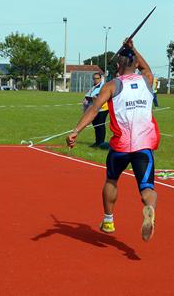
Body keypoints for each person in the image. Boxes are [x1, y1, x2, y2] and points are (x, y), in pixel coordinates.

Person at [66, 39, 160, 242]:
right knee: (147, 190)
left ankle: (108, 220)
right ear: (135, 64)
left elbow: (93, 109)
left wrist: (76, 131)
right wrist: (133, 48)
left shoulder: (111, 86)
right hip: (143, 146)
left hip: (120, 147)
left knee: (111, 180)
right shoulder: (147, 79)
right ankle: (149, 207)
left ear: (118, 66)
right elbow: (146, 67)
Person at [83, 72, 109, 148]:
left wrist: (95, 97)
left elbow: (102, 95)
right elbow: (90, 95)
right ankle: (97, 142)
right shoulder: (94, 87)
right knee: (95, 125)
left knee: (100, 125)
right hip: (94, 108)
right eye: (94, 78)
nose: (95, 80)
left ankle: (101, 142)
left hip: (103, 108)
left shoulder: (103, 86)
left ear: (100, 79)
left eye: (97, 78)